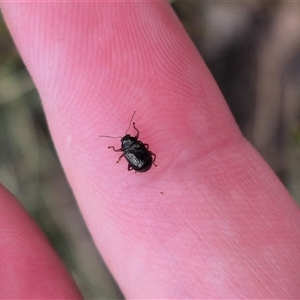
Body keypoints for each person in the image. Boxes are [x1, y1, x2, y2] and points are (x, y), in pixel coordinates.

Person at [0, 2, 299, 299]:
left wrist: (137, 158)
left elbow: (139, 154)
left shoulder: (130, 148)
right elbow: (140, 154)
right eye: (129, 142)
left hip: (144, 165)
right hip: (144, 165)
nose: (129, 140)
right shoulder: (132, 148)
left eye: (128, 141)